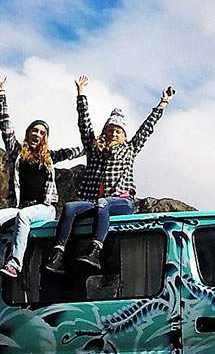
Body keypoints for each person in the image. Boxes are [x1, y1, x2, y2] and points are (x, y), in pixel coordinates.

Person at [45, 75, 174, 273]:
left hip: (121, 202)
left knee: (103, 203)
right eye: (110, 130)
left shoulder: (130, 148)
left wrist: (162, 103)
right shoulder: (94, 149)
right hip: (93, 202)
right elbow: (84, 124)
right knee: (70, 207)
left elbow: (147, 128)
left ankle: (95, 249)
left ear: (123, 134)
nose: (114, 134)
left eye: (118, 131)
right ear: (104, 132)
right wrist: (81, 95)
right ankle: (58, 254)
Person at [0, 76, 84, 280]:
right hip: (20, 206)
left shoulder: (50, 157)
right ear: (28, 134)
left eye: (41, 132)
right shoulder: (16, 153)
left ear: (45, 138)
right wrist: (1, 94)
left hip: (44, 208)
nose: (37, 134)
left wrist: (97, 144)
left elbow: (78, 150)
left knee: (24, 217)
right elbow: (5, 126)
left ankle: (14, 264)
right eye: (34, 131)